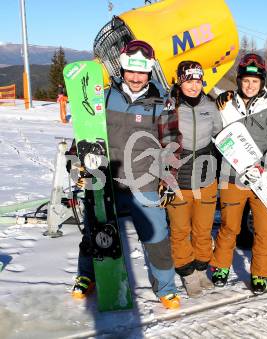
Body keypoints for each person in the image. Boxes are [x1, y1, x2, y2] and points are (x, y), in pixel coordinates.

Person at [71, 40, 180, 310]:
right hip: (105, 179)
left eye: (141, 72)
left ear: (150, 72)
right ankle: (87, 275)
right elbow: (85, 131)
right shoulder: (104, 96)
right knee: (95, 231)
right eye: (131, 70)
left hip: (144, 181)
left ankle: (165, 288)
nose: (135, 77)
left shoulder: (161, 103)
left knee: (156, 236)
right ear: (122, 68)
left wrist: (168, 177)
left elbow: (172, 144)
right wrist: (76, 161)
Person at [210, 53, 267, 294]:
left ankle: (260, 273)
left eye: (255, 81)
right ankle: (221, 266)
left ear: (262, 82)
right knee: (229, 227)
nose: (250, 85)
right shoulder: (225, 106)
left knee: (264, 231)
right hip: (232, 177)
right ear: (239, 81)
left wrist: (264, 165)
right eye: (245, 80)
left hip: (262, 179)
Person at [158, 61, 222, 297]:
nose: (194, 86)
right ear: (180, 81)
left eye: (197, 81)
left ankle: (202, 269)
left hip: (206, 176)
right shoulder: (169, 106)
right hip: (178, 177)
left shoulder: (210, 106)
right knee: (180, 230)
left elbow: (220, 133)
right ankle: (188, 273)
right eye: (188, 81)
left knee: (203, 229)